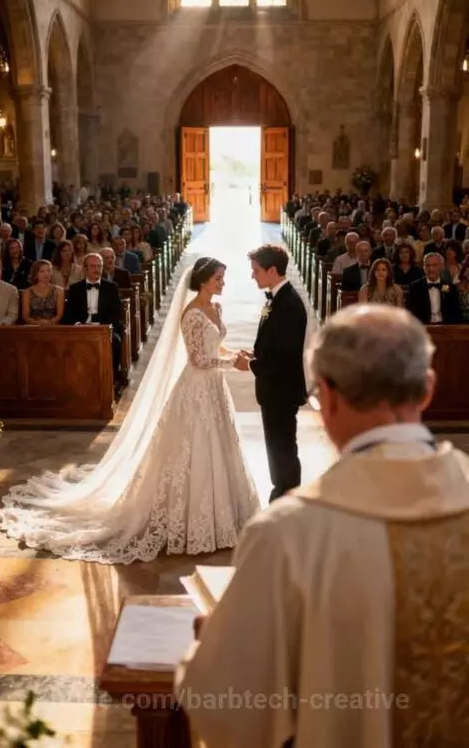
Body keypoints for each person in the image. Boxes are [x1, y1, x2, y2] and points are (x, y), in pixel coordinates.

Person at [175, 305, 469, 748]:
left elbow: (226, 706)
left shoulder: (288, 535)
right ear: (427, 389)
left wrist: (216, 640)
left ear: (326, 396)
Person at [0, 256, 259, 563]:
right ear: (203, 281)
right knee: (193, 449)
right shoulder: (190, 314)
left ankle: (219, 517)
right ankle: (187, 518)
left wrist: (235, 352)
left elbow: (213, 345)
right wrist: (232, 363)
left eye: (223, 278)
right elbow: (197, 360)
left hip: (214, 389)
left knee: (217, 446)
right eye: (218, 278)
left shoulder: (216, 307)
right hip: (196, 390)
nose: (223, 283)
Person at [235, 244, 307, 502]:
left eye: (256, 270)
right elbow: (274, 343)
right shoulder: (278, 298)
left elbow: (284, 356)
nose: (252, 275)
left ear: (272, 270)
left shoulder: (288, 304)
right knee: (277, 446)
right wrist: (255, 355)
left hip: (282, 389)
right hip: (274, 388)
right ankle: (283, 492)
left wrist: (251, 366)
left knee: (283, 447)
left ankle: (287, 495)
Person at [408, 252, 461, 325]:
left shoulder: (450, 287)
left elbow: (455, 312)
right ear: (423, 267)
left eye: (435, 265)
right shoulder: (415, 287)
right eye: (428, 265)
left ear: (442, 266)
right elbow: (412, 313)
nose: (431, 269)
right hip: (424, 326)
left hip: (446, 327)